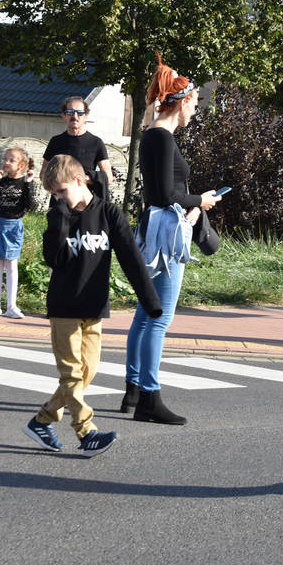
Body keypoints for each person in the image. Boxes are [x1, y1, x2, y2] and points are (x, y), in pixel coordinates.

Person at [22, 154, 162, 458]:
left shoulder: (109, 213)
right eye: (53, 195)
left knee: (87, 373)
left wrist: (149, 299)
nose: (58, 198)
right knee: (72, 374)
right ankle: (87, 433)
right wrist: (60, 216)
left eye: (61, 191)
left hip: (94, 306)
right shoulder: (58, 214)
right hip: (63, 308)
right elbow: (52, 258)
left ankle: (42, 420)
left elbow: (130, 257)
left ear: (78, 180)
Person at [122, 57, 221, 424]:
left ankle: (134, 390)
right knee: (158, 318)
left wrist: (192, 204)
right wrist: (201, 201)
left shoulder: (152, 134)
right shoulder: (161, 138)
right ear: (181, 102)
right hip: (166, 230)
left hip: (154, 226)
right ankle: (149, 396)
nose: (195, 111)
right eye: (194, 104)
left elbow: (161, 192)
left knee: (145, 313)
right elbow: (165, 194)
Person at [0, 146, 35, 319]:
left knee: (11, 264)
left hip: (13, 226)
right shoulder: (1, 180)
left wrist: (28, 184)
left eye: (11, 160)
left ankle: (12, 305)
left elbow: (30, 205)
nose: (5, 162)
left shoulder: (24, 182)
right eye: (5, 159)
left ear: (21, 165)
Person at [42, 96, 114, 197]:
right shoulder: (56, 141)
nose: (75, 116)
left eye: (80, 113)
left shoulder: (96, 142)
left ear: (86, 116)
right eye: (70, 112)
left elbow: (108, 178)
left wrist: (81, 180)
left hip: (87, 202)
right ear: (63, 115)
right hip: (61, 201)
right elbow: (44, 173)